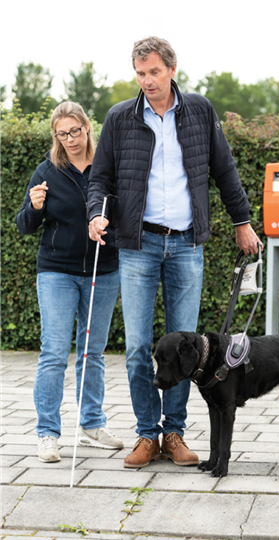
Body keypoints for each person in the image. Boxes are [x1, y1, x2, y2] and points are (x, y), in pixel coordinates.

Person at [87, 37, 263, 469]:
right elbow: (100, 179)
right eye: (140, 73)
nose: (147, 81)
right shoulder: (119, 118)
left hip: (186, 244)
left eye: (154, 72)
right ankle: (147, 435)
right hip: (138, 245)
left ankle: (174, 432)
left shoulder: (200, 110)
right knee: (137, 347)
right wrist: (96, 213)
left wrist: (242, 222)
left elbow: (224, 170)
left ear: (172, 69)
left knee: (191, 350)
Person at [16, 102, 124, 463]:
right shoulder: (47, 170)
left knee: (92, 352)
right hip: (57, 272)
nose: (70, 139)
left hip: (103, 269)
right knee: (54, 352)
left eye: (74, 131)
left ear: (87, 127)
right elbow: (25, 226)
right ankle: (47, 433)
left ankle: (92, 424)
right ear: (55, 136)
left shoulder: (106, 166)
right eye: (62, 134)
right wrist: (33, 206)